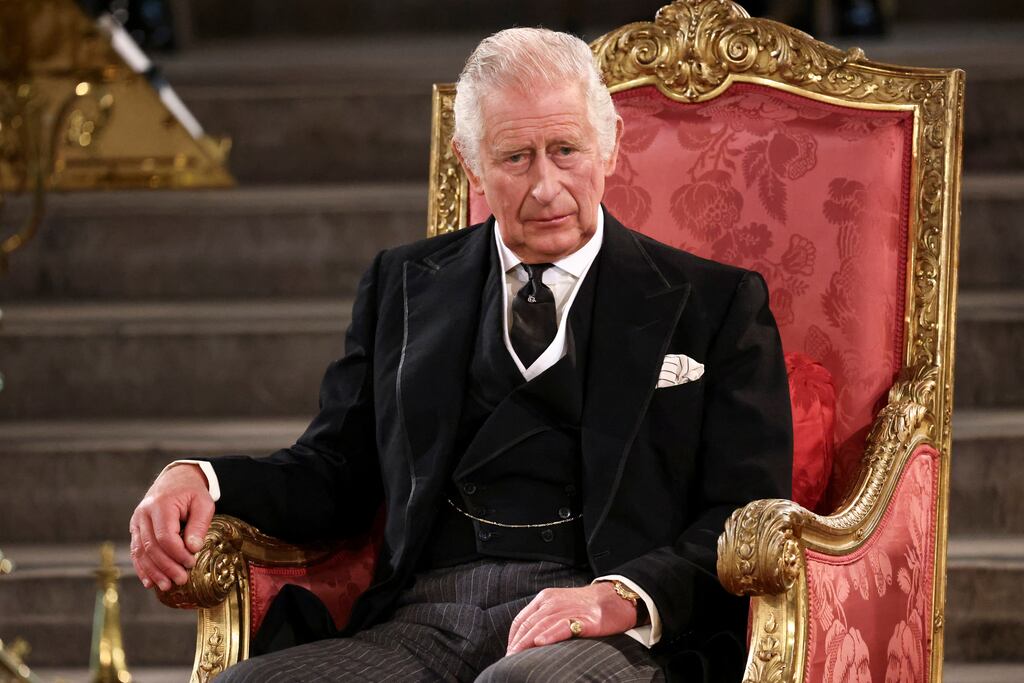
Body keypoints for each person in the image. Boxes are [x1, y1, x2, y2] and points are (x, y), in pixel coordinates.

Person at [129, 27, 792, 682]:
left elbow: (746, 513)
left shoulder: (715, 303)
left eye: (566, 149)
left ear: (610, 143)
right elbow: (333, 470)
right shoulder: (402, 286)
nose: (546, 185)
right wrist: (202, 477)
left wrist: (620, 596)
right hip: (425, 619)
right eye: (515, 158)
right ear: (469, 162)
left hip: (604, 620)